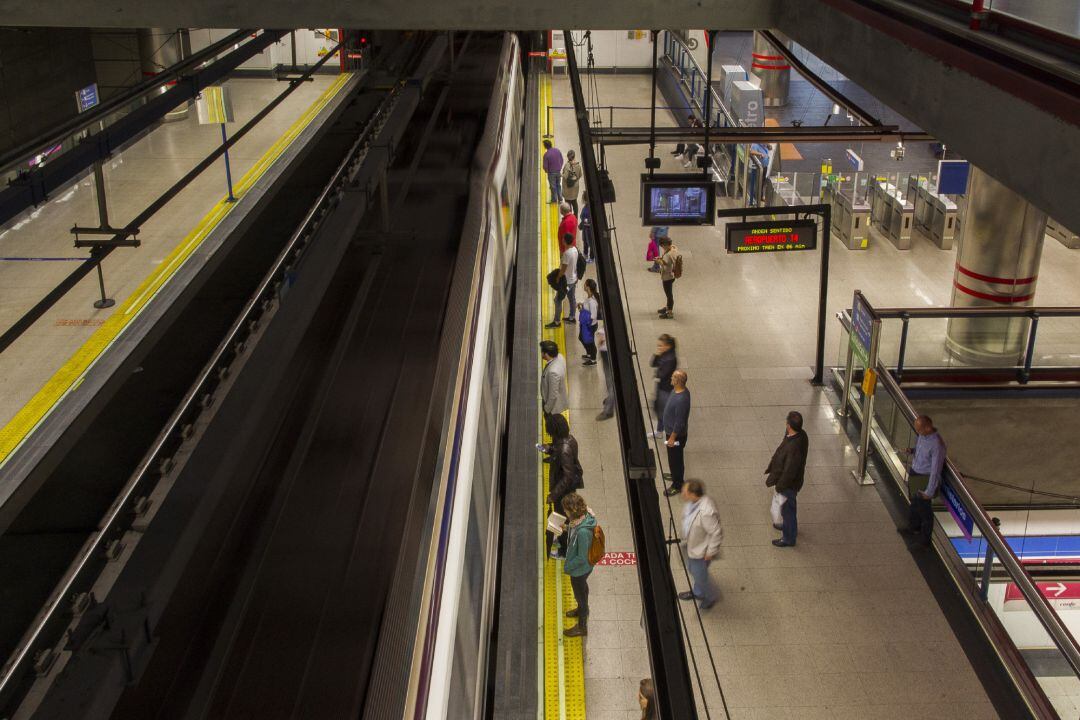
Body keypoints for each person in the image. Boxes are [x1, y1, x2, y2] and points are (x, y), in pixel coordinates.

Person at [897, 414, 947, 549]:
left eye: (919, 429)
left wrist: (929, 491)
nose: (917, 431)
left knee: (924, 510)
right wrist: (912, 451)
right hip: (914, 473)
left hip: (923, 479)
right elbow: (920, 450)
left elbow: (935, 470)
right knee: (914, 503)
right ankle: (913, 527)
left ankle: (925, 540)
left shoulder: (937, 445)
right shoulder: (922, 436)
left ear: (928, 427)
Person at [764, 411, 809, 547]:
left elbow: (789, 471)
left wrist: (780, 487)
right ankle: (789, 528)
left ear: (789, 425)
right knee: (788, 509)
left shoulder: (793, 448)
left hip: (788, 485)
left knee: (788, 510)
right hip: (791, 482)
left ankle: (789, 538)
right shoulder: (801, 435)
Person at [678, 480, 722, 609]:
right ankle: (698, 592)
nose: (682, 494)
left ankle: (710, 596)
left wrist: (710, 552)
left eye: (684, 492)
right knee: (694, 570)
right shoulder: (693, 503)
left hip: (701, 551)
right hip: (692, 544)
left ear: (693, 494)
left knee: (700, 575)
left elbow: (716, 533)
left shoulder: (706, 512)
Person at [545, 413, 582, 559]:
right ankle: (564, 542)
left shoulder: (563, 449)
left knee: (562, 518)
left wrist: (553, 495)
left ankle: (564, 550)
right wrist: (550, 450)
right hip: (567, 489)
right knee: (565, 518)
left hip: (563, 492)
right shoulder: (570, 439)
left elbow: (567, 476)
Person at [560, 492, 597, 637]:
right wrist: (567, 528)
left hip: (580, 569)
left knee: (580, 594)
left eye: (566, 510)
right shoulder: (583, 518)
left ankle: (582, 627)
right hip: (584, 568)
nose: (564, 512)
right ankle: (583, 609)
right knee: (582, 589)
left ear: (572, 511)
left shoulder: (582, 533)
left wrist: (568, 567)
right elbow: (576, 530)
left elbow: (582, 557)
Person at [662, 370, 691, 497]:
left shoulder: (682, 400)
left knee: (676, 459)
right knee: (673, 458)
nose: (671, 378)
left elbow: (680, 422)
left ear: (679, 381)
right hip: (671, 432)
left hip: (676, 435)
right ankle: (675, 475)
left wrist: (672, 438)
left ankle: (677, 484)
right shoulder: (677, 390)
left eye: (673, 377)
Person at [546, 238, 579, 328]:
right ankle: (572, 318)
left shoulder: (567, 254)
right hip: (573, 279)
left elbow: (563, 269)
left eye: (563, 240)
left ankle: (556, 322)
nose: (562, 241)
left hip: (566, 282)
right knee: (572, 298)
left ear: (565, 241)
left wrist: (557, 277)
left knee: (558, 300)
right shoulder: (575, 249)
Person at [649, 334, 677, 438]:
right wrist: (657, 354)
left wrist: (657, 375)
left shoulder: (670, 358)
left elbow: (662, 374)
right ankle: (660, 431)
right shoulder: (665, 354)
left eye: (660, 346)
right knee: (661, 410)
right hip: (662, 387)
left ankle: (669, 433)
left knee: (664, 412)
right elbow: (653, 364)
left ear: (667, 346)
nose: (659, 348)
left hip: (666, 389)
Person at [539, 340, 568, 421]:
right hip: (555, 399)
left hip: (552, 407)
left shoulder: (553, 372)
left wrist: (547, 409)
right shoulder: (560, 356)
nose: (541, 353)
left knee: (552, 424)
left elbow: (553, 394)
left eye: (542, 352)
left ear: (547, 354)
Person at [657, 236, 680, 319]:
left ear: (666, 245)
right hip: (672, 276)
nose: (662, 247)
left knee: (669, 295)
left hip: (667, 277)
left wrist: (660, 262)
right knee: (669, 294)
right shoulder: (673, 249)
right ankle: (667, 307)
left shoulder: (668, 255)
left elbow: (667, 268)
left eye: (662, 246)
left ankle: (669, 313)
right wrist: (662, 259)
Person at [595, 322, 615, 421]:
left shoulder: (604, 330)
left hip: (608, 356)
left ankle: (608, 411)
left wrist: (601, 338)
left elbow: (601, 341)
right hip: (606, 355)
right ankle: (610, 399)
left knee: (612, 384)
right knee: (609, 381)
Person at [577, 279, 599, 365]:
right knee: (582, 338)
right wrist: (582, 304)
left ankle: (593, 359)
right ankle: (589, 353)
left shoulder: (592, 302)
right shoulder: (590, 297)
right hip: (586, 325)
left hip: (590, 326)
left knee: (589, 341)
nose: (584, 285)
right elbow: (587, 307)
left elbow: (593, 316)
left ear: (588, 287)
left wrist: (582, 311)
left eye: (585, 284)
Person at [542, 139, 564, 204]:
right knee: (558, 185)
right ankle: (560, 199)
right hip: (558, 171)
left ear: (545, 146)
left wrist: (547, 171)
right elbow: (562, 160)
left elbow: (545, 166)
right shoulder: (557, 151)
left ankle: (554, 200)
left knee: (553, 187)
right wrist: (559, 167)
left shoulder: (546, 155)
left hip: (551, 173)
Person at [562, 149, 583, 215]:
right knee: (574, 202)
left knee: (568, 204)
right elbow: (580, 175)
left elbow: (565, 176)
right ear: (574, 156)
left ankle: (570, 218)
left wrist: (561, 174)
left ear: (568, 157)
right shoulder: (578, 166)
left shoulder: (567, 166)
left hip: (567, 189)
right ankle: (575, 217)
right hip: (575, 188)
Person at [579, 193, 594, 263]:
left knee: (590, 243)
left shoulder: (586, 211)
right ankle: (585, 254)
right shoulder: (589, 207)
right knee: (585, 241)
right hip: (586, 228)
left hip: (588, 230)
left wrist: (582, 224)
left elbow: (586, 221)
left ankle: (591, 257)